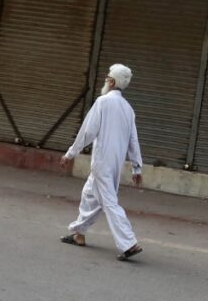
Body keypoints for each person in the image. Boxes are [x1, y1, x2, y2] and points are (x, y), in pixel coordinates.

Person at [59, 63, 144, 262]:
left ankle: (128, 243)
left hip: (102, 162)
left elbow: (88, 131)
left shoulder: (103, 102)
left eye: (107, 78)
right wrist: (136, 167)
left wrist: (70, 154)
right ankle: (79, 232)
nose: (105, 80)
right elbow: (134, 140)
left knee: (109, 202)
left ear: (112, 81)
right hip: (115, 164)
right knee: (89, 194)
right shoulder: (128, 109)